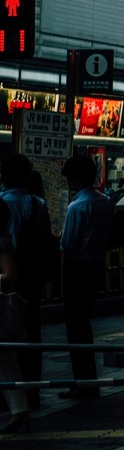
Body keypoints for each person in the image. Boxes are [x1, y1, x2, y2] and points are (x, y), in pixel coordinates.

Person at [58, 154, 114, 400]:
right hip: (96, 266)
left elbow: (68, 244)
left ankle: (83, 382)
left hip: (76, 269)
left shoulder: (77, 207)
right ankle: (88, 380)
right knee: (84, 324)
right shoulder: (105, 202)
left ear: (76, 178)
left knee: (75, 327)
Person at [1, 152, 51, 408]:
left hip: (10, 274)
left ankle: (11, 393)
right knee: (32, 330)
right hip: (33, 276)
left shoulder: (3, 203)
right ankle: (33, 388)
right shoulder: (38, 203)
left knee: (7, 334)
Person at [0, 200, 32, 433]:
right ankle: (19, 412)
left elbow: (10, 276)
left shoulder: (1, 244)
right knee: (6, 362)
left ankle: (20, 412)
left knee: (7, 361)